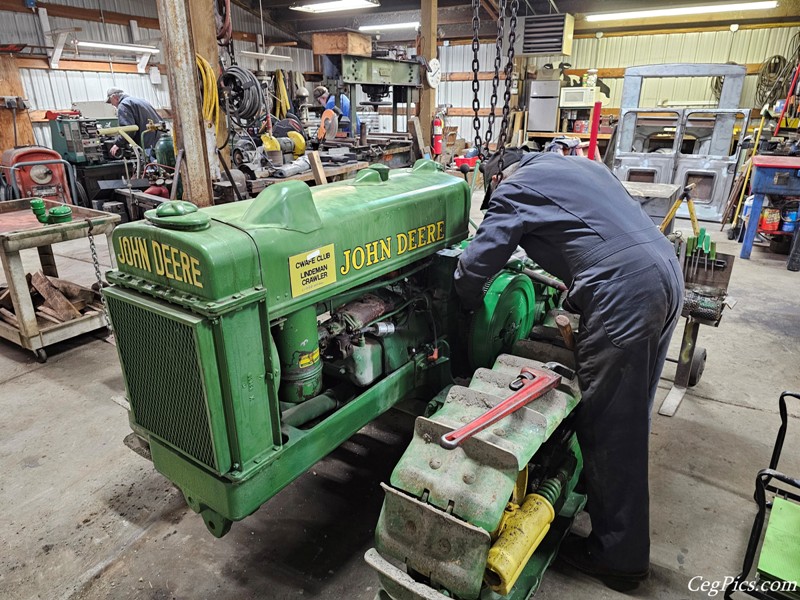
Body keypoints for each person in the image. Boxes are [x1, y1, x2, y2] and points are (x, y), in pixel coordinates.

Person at [454, 150, 684, 590]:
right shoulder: (578, 166)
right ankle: (618, 521)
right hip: (664, 271)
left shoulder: (514, 189)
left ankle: (619, 558)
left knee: (611, 426)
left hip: (625, 292)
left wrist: (462, 302)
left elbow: (477, 266)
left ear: (499, 176)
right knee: (631, 417)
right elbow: (595, 231)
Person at [105, 88, 162, 159]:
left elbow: (128, 129)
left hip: (148, 146)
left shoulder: (124, 105)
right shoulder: (142, 101)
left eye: (111, 102)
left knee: (152, 168)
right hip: (160, 142)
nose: (112, 105)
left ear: (114, 97)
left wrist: (118, 144)